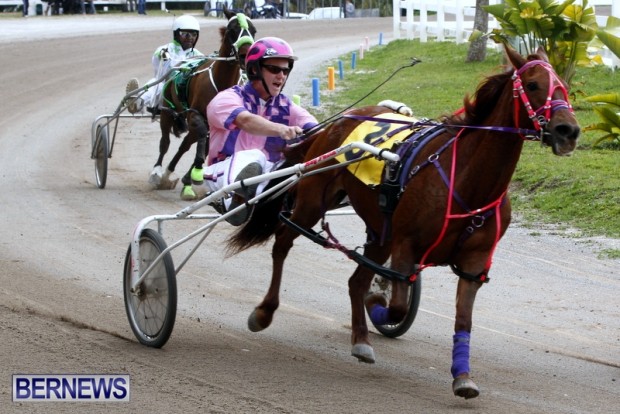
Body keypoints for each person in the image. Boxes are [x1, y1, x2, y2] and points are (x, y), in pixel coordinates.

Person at [201, 37, 318, 226]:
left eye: (285, 70)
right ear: (254, 70)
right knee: (256, 156)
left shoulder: (285, 105)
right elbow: (246, 121)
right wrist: (281, 130)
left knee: (292, 165)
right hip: (222, 176)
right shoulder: (226, 99)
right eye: (274, 69)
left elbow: (314, 127)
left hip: (265, 177)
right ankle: (232, 201)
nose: (281, 76)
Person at [126, 15, 203, 115]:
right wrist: (165, 58)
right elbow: (160, 72)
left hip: (187, 91)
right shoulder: (164, 50)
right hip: (165, 89)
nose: (190, 38)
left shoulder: (199, 56)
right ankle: (137, 102)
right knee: (157, 84)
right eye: (185, 34)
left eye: (193, 34)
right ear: (176, 34)